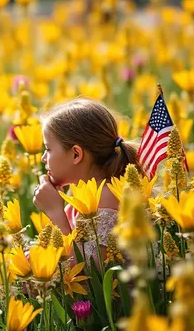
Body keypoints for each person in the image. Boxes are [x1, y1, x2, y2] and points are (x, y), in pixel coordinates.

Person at [32, 99, 144, 262]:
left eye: (48, 149)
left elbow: (90, 275)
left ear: (76, 154)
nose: (43, 158)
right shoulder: (81, 194)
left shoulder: (107, 196)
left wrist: (55, 212)